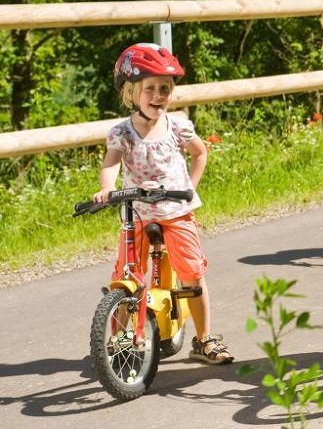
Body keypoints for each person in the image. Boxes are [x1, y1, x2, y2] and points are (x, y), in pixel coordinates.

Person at [93, 42, 234, 365]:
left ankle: (203, 339)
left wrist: (189, 188)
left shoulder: (178, 126)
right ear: (131, 93)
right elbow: (111, 162)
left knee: (192, 275)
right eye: (150, 88)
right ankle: (119, 341)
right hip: (137, 213)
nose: (159, 95)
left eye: (165, 89)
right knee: (126, 275)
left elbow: (200, 153)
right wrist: (106, 188)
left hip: (176, 211)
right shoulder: (122, 132)